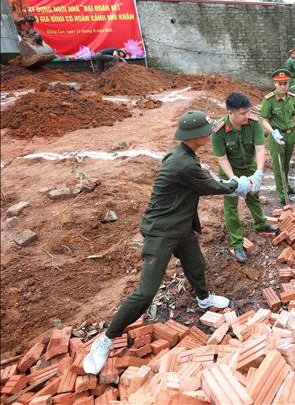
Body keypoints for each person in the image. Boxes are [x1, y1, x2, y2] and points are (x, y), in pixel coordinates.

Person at [83, 110, 249, 375]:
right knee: (146, 292)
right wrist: (236, 185)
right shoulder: (183, 163)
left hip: (180, 226)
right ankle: (106, 338)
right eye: (206, 131)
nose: (209, 133)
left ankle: (204, 299)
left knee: (196, 264)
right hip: (161, 231)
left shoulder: (182, 153)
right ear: (196, 137)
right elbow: (208, 186)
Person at [211, 93, 279, 263]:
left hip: (249, 166)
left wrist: (258, 174)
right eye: (242, 113)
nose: (246, 116)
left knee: (253, 196)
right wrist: (235, 180)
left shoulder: (254, 123)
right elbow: (222, 159)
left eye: (248, 112)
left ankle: (260, 224)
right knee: (231, 206)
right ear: (230, 112)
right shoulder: (218, 130)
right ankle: (237, 242)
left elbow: (260, 149)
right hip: (228, 170)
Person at [260, 69, 295, 205]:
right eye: (280, 84)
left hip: (290, 135)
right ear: (275, 83)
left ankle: (286, 186)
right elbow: (264, 120)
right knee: (278, 165)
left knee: (286, 164)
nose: (283, 86)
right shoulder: (269, 100)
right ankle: (282, 194)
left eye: (286, 83)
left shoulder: (291, 97)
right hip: (277, 136)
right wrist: (273, 132)